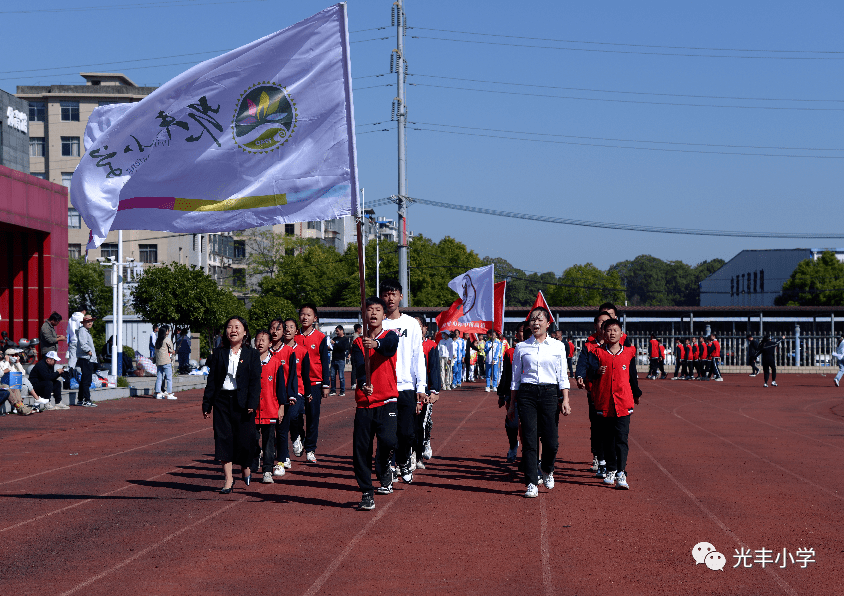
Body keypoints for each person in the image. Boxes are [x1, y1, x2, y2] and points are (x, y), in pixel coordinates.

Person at [509, 306, 571, 498]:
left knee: (551, 441)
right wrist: (512, 404)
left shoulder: (558, 346)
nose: (535, 323)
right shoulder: (521, 347)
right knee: (529, 440)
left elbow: (563, 375)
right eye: (532, 320)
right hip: (527, 393)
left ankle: (547, 469)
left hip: (549, 393)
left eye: (539, 319)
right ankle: (531, 482)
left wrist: (566, 399)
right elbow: (515, 378)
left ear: (548, 323)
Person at [350, 296, 401, 510]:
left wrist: (376, 344)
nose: (373, 313)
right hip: (365, 403)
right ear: (364, 314)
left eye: (377, 310)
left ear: (383, 314)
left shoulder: (390, 335)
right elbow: (359, 366)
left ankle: (383, 465)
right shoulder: (357, 342)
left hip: (387, 400)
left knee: (389, 441)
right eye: (369, 309)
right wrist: (363, 383)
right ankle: (366, 492)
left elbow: (389, 348)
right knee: (361, 450)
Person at [202, 316, 262, 494]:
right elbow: (212, 381)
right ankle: (228, 479)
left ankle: (246, 466)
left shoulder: (252, 354)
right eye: (229, 327)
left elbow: (255, 381)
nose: (233, 330)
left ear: (245, 332)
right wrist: (207, 404)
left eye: (237, 327)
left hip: (243, 402)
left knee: (247, 438)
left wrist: (252, 402)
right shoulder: (219, 353)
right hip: (222, 401)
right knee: (223, 439)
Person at [584, 318, 642, 490]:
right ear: (604, 333)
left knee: (622, 439)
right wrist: (596, 371)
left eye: (615, 330)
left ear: (621, 333)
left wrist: (636, 393)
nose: (612, 333)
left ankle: (621, 472)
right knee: (608, 438)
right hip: (605, 402)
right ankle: (610, 469)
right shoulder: (597, 353)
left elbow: (632, 375)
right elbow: (589, 373)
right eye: (608, 330)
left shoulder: (629, 352)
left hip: (623, 402)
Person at [379, 280, 427, 483]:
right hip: (384, 387)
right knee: (387, 433)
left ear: (400, 297)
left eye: (394, 294)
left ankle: (404, 459)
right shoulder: (377, 323)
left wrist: (421, 386)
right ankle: (391, 466)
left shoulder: (410, 324)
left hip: (406, 386)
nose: (390, 298)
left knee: (407, 432)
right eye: (386, 294)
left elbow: (418, 356)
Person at [575, 311, 612, 478]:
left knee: (612, 428)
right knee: (597, 427)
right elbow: (582, 364)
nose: (603, 326)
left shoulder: (618, 346)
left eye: (607, 322)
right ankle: (599, 457)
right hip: (595, 392)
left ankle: (611, 461)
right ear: (596, 326)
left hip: (613, 393)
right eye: (600, 322)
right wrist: (582, 376)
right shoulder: (589, 346)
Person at [252, 330, 291, 484]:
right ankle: (255, 457)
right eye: (258, 339)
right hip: (252, 410)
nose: (260, 342)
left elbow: (281, 388)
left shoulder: (276, 363)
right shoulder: (250, 362)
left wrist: (281, 407)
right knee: (251, 439)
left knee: (269, 442)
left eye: (264, 340)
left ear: (270, 344)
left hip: (270, 408)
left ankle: (267, 470)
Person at [292, 304, 331, 463]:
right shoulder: (293, 336)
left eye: (309, 315)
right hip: (297, 383)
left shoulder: (321, 337)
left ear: (315, 318)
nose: (305, 317)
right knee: (295, 415)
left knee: (313, 416)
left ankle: (310, 449)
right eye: (302, 314)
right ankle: (299, 435)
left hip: (315, 382)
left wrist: (326, 384)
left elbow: (324, 360)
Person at [274, 318, 310, 475]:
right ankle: (285, 456)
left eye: (290, 327)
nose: (287, 330)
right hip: (276, 394)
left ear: (296, 331)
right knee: (280, 425)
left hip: (297, 391)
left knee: (293, 417)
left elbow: (305, 374)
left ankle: (297, 436)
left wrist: (307, 392)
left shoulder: (300, 351)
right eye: (285, 327)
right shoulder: (271, 350)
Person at [414, 317, 441, 468]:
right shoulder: (405, 344)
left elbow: (435, 369)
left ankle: (420, 453)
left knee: (422, 424)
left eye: (419, 326)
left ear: (425, 328)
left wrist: (434, 391)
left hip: (424, 392)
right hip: (407, 391)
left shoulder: (430, 346)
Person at [498, 322, 525, 464]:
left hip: (530, 395)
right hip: (513, 394)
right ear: (516, 334)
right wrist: (502, 394)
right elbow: (506, 375)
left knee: (529, 426)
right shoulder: (510, 352)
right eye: (521, 331)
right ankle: (513, 444)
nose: (524, 333)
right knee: (512, 424)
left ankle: (529, 454)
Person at [75, 314, 98, 407]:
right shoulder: (83, 331)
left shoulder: (85, 331)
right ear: (83, 322)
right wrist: (89, 352)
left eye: (91, 321)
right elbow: (83, 343)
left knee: (84, 380)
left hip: (86, 358)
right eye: (87, 321)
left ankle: (81, 399)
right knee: (86, 381)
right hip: (86, 358)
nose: (90, 323)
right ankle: (86, 400)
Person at [154, 325, 176, 400]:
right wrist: (173, 352)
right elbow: (171, 350)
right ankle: (169, 393)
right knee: (169, 378)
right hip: (166, 361)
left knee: (159, 378)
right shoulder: (167, 340)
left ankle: (158, 393)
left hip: (159, 362)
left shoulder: (157, 341)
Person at [329, 325, 350, 397]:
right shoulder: (335, 338)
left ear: (342, 330)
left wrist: (335, 343)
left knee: (341, 377)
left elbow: (343, 347)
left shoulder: (345, 339)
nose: (337, 332)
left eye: (338, 331)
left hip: (341, 360)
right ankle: (333, 390)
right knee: (332, 376)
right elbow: (332, 348)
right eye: (336, 331)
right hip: (334, 359)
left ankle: (342, 391)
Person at [350, 323, 362, 390]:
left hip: (354, 354)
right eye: (361, 329)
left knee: (355, 369)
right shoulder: (356, 337)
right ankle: (353, 383)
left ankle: (355, 383)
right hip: (355, 355)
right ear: (358, 329)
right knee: (354, 369)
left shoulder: (354, 336)